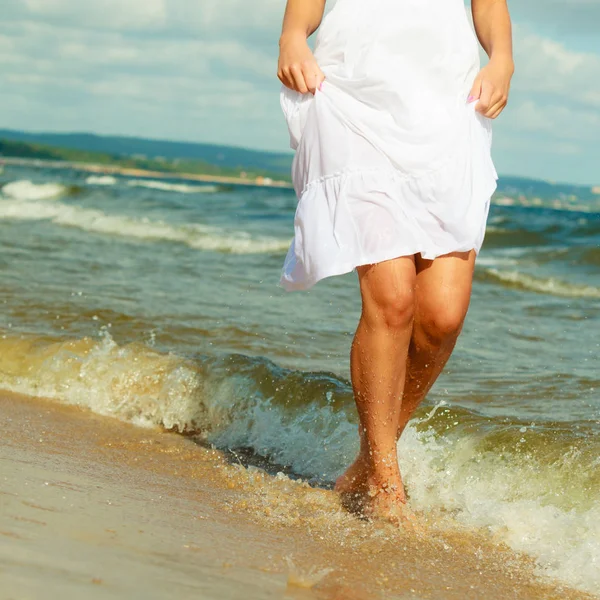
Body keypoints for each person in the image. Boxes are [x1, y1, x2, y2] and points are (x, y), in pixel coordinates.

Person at [277, 0, 514, 523]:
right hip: (352, 100)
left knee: (442, 316)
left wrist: (501, 59)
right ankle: (386, 482)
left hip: (447, 109)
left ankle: (367, 460)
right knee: (393, 299)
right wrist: (293, 35)